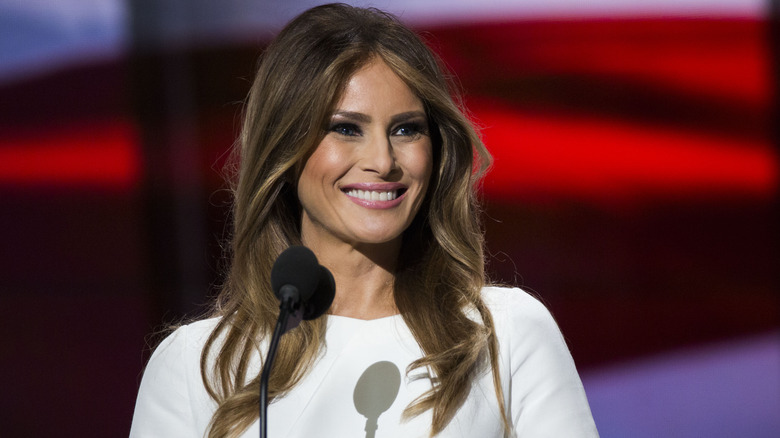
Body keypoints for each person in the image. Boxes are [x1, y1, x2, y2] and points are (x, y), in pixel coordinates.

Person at [129, 3, 599, 438]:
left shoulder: (505, 333)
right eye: (346, 128)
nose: (382, 160)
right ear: (285, 150)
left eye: (405, 129)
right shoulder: (197, 366)